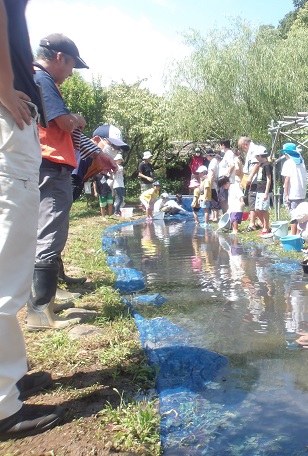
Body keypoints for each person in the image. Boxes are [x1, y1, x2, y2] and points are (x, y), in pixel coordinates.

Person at [0, 0, 66, 439]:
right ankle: (4, 402)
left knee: (12, 265)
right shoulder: (41, 79)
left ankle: (11, 379)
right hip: (7, 124)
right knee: (6, 268)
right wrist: (5, 86)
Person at [30, 33, 116, 331]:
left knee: (49, 233)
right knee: (49, 235)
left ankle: (47, 302)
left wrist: (100, 155)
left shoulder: (43, 81)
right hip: (50, 168)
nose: (70, 72)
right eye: (70, 66)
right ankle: (40, 312)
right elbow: (66, 124)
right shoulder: (42, 79)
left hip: (52, 167)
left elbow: (72, 135)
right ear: (59, 58)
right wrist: (77, 117)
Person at [280, 142, 308, 235]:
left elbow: (287, 180)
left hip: (292, 193)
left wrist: (287, 194)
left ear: (287, 153)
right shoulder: (301, 162)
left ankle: (292, 235)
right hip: (301, 193)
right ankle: (298, 234)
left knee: (293, 215)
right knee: (300, 215)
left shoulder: (288, 163)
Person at [240, 136, 264, 231]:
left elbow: (257, 164)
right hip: (251, 178)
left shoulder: (254, 149)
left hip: (254, 179)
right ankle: (256, 222)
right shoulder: (251, 150)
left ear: (245, 144)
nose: (243, 149)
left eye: (242, 147)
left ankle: (253, 223)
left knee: (252, 200)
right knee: (252, 199)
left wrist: (249, 178)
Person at [253, 147, 273, 234]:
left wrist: (266, 192)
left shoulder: (267, 165)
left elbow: (269, 179)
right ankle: (266, 225)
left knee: (264, 209)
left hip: (264, 191)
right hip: (259, 189)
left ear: (260, 156)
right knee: (257, 209)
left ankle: (266, 228)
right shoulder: (260, 165)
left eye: (257, 156)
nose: (256, 158)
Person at [217, 139, 233, 214]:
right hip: (222, 182)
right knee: (222, 199)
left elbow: (232, 165)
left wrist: (227, 177)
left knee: (224, 199)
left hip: (225, 182)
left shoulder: (229, 153)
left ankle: (227, 215)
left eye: (220, 145)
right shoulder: (226, 154)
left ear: (223, 145)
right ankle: (225, 215)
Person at [205, 148, 220, 221]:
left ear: (209, 155)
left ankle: (216, 217)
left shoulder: (213, 162)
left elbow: (213, 174)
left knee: (214, 200)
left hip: (213, 184)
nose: (206, 157)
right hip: (212, 183)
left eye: (206, 155)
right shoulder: (213, 161)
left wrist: (209, 184)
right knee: (212, 200)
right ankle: (213, 216)